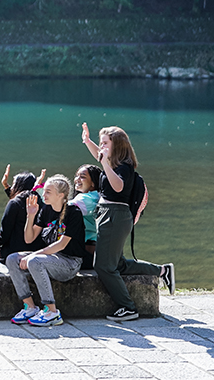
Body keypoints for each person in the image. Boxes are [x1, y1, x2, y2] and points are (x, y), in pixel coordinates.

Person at [82, 123, 174, 322]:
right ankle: (163, 270)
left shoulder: (125, 167)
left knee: (104, 266)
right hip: (108, 215)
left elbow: (118, 187)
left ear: (117, 145)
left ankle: (127, 307)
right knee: (119, 264)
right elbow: (100, 155)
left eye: (105, 142)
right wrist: (87, 141)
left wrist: (104, 162)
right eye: (101, 142)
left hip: (115, 215)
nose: (101, 146)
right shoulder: (113, 164)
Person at [6, 175, 85, 326]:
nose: (44, 194)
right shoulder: (46, 210)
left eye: (48, 191)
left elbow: (61, 245)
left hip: (70, 263)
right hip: (50, 258)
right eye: (44, 191)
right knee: (12, 259)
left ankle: (52, 312)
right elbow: (29, 239)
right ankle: (30, 307)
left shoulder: (73, 212)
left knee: (35, 260)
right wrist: (30, 216)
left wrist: (33, 256)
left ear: (60, 195)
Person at [0, 169, 43, 261]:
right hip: (37, 252)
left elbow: (5, 233)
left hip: (14, 252)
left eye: (14, 184)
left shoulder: (15, 204)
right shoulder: (42, 202)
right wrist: (6, 186)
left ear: (18, 185)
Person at [71, 164, 102, 269]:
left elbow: (62, 208)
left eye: (82, 177)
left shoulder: (87, 199)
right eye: (77, 176)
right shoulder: (97, 196)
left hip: (87, 252)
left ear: (93, 183)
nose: (77, 179)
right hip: (96, 249)